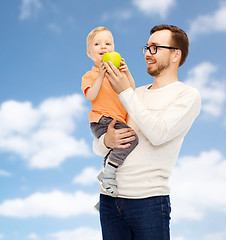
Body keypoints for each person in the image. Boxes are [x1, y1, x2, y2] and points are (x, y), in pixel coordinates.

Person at [93, 24, 201, 240]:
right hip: (109, 200)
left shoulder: (187, 95)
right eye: (147, 48)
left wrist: (124, 91)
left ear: (175, 55)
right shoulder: (135, 93)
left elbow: (158, 133)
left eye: (155, 48)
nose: (147, 54)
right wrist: (107, 140)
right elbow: (98, 147)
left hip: (148, 201)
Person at [81, 26, 138, 197]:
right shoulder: (89, 75)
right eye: (97, 44)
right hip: (102, 119)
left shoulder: (118, 73)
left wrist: (126, 73)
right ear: (90, 54)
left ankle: (106, 182)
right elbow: (91, 96)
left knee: (115, 149)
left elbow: (131, 90)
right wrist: (101, 75)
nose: (103, 47)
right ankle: (108, 175)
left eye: (108, 43)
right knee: (131, 139)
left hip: (117, 119)